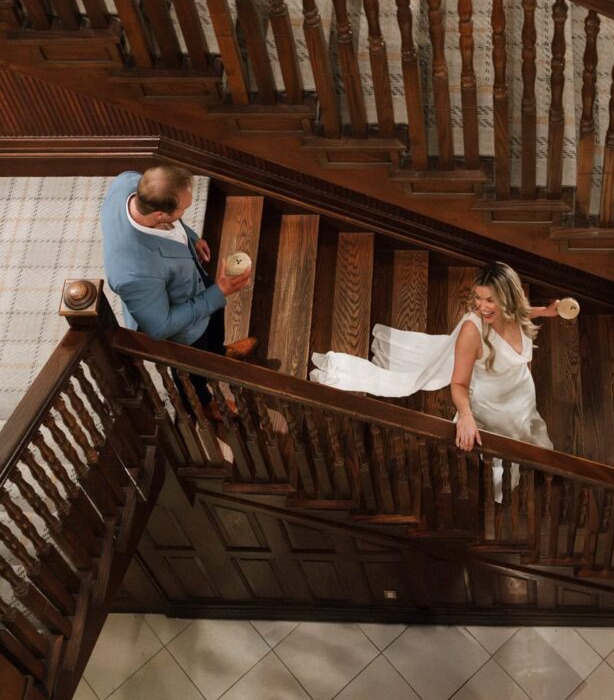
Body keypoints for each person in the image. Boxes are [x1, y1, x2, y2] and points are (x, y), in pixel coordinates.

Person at [310, 261, 558, 498]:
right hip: (493, 402)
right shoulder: (472, 332)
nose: (482, 307)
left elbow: (521, 312)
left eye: (490, 300)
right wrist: (466, 416)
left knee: (526, 421)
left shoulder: (515, 311)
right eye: (478, 298)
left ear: (507, 299)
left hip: (521, 389)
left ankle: (536, 452)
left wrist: (546, 312)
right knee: (509, 436)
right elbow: (459, 383)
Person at [101, 163, 252, 410]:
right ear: (161, 215)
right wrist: (220, 292)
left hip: (192, 281)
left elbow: (176, 221)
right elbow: (161, 327)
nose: (185, 211)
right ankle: (203, 403)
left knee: (214, 321)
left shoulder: (128, 182)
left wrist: (192, 238)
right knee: (193, 369)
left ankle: (218, 354)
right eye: (183, 208)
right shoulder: (133, 273)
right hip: (183, 326)